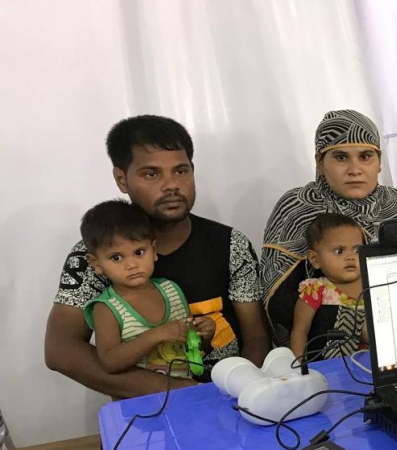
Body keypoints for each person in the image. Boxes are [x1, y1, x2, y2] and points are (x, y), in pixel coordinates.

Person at [45, 115, 271, 396]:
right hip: (147, 411)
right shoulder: (96, 257)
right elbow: (60, 350)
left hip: (230, 399)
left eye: (180, 171)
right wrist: (183, 395)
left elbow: (257, 336)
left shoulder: (231, 244)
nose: (171, 185)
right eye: (151, 174)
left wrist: (242, 394)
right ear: (121, 179)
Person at [261, 110, 397, 345]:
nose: (354, 169)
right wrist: (350, 323)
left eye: (365, 156)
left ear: (379, 162)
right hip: (322, 345)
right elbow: (278, 299)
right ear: (320, 162)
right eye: (341, 157)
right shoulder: (297, 206)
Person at [81, 200, 215, 378]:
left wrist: (205, 335)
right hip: (140, 401)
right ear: (96, 263)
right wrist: (156, 335)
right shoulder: (107, 308)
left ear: (153, 250)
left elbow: (191, 347)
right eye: (116, 257)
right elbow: (109, 362)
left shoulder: (171, 290)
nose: (131, 265)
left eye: (138, 253)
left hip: (184, 394)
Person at [288, 213, 367, 361]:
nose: (350, 257)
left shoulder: (374, 284)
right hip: (328, 368)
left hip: (373, 367)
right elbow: (300, 331)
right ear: (315, 259)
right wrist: (299, 368)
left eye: (357, 250)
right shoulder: (316, 290)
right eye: (339, 251)